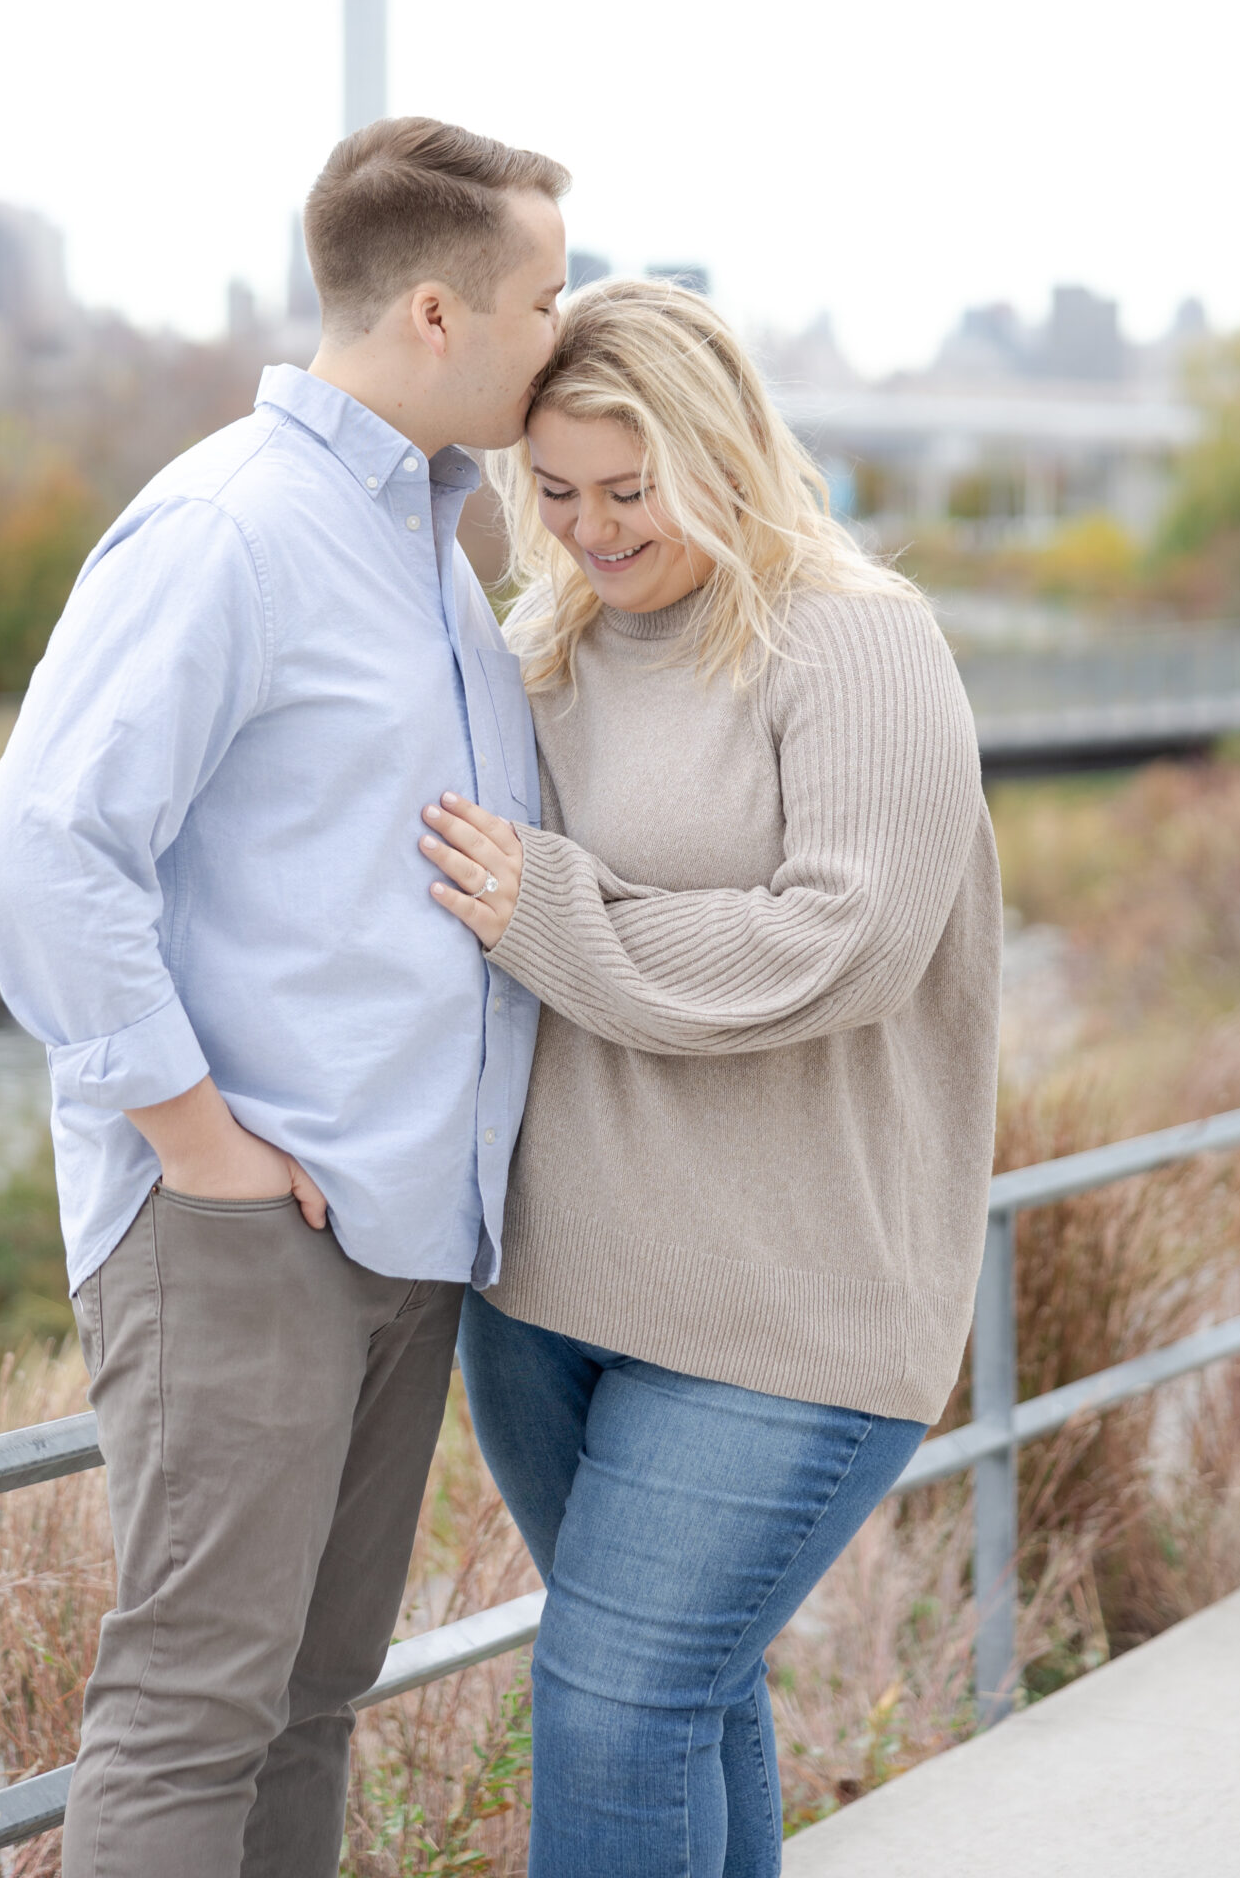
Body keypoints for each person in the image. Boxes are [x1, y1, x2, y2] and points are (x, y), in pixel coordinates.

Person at [0, 116, 570, 1878]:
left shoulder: (433, 550)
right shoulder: (231, 525)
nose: (567, 332)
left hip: (398, 1224)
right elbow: (43, 853)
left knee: (315, 1698)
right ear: (443, 314)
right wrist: (198, 1141)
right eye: (545, 300)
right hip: (247, 1217)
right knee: (194, 1705)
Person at [417, 279, 1001, 1878]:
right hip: (545, 1296)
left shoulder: (857, 640)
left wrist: (554, 911)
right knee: (679, 1698)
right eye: (557, 493)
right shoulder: (546, 645)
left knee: (611, 1714)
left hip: (788, 1307)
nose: (595, 532)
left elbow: (845, 942)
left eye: (633, 490)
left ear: (728, 455)